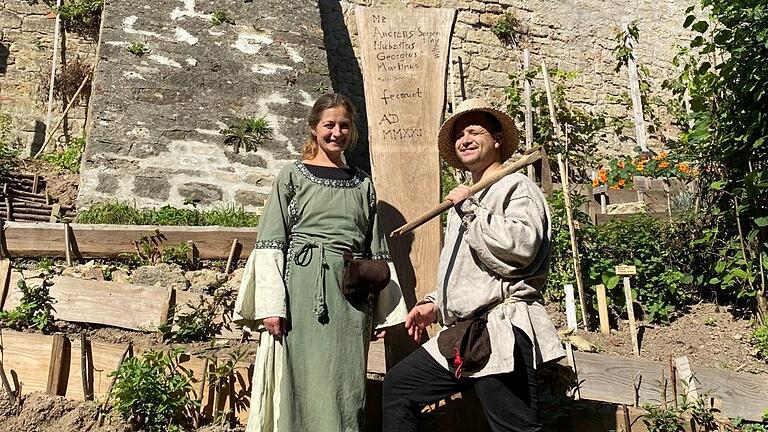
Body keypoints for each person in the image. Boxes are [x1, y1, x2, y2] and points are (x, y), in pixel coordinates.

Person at [382, 98, 565, 432]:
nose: (464, 139)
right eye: (458, 135)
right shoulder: (468, 197)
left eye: (473, 131)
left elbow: (520, 250)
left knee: (515, 429)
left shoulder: (516, 187)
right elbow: (467, 270)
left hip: (502, 331)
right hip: (465, 335)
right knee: (400, 388)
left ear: (496, 140)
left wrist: (469, 210)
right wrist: (434, 304)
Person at [234, 93, 408, 432]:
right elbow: (271, 241)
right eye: (329, 125)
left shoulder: (362, 183)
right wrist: (272, 306)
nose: (337, 132)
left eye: (344, 125)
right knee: (304, 377)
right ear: (314, 129)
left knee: (346, 383)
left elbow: (376, 248)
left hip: (351, 296)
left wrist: (383, 309)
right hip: (302, 290)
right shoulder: (292, 177)